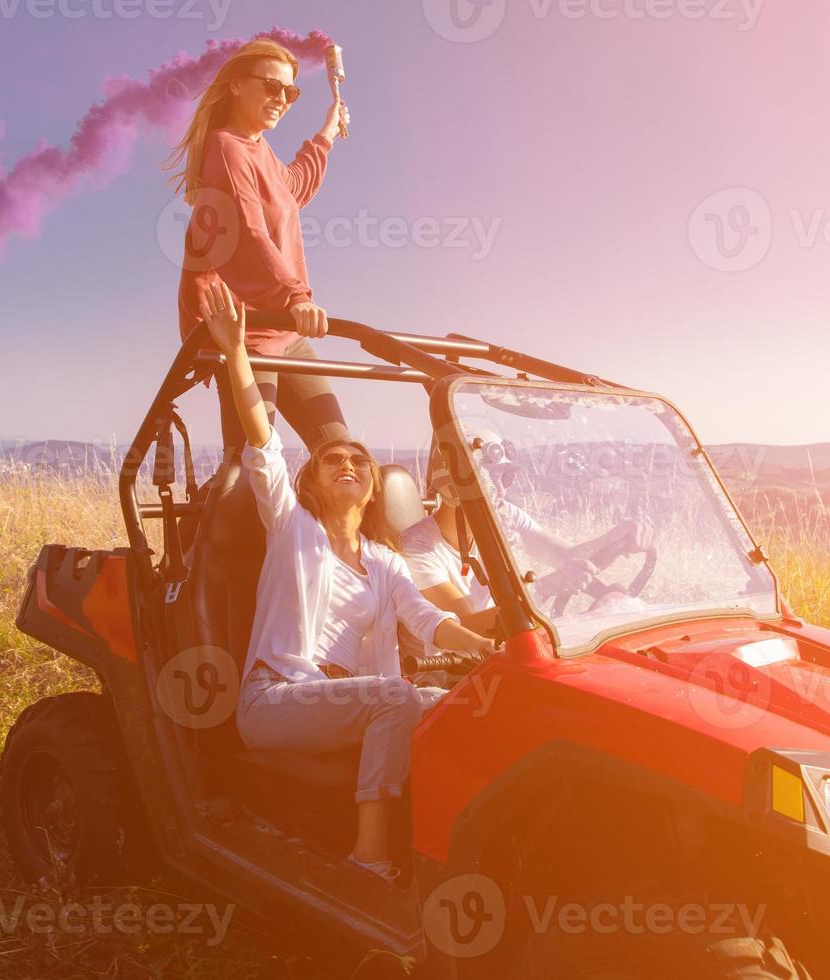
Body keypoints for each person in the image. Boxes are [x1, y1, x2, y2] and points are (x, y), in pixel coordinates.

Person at [203, 280, 496, 883]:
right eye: (333, 460)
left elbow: (429, 622)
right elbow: (262, 442)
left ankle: (463, 849)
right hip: (275, 699)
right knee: (394, 696)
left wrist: (489, 652)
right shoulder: (291, 526)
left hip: (345, 701)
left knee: (456, 706)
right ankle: (369, 858)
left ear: (372, 486)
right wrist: (236, 354)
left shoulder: (385, 563)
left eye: (359, 460)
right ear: (311, 484)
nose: (349, 463)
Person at [166, 38, 351, 454]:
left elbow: (292, 189)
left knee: (339, 451)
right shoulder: (226, 150)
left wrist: (326, 133)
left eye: (290, 91)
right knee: (253, 465)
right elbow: (248, 238)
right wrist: (295, 298)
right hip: (245, 336)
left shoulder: (258, 151)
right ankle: (218, 521)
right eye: (272, 86)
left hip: (285, 330)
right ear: (235, 84)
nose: (282, 99)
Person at [403, 437, 655, 643]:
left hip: (515, 644)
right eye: (492, 478)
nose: (502, 489)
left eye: (507, 478)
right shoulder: (417, 547)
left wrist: (618, 536)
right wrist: (545, 587)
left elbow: (568, 557)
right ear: (455, 486)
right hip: (465, 666)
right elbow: (468, 626)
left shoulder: (506, 516)